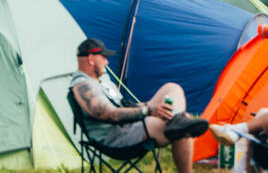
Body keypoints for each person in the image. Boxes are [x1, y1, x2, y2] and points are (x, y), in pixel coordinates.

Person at [70, 38, 209, 173]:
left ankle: (177, 121)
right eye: (104, 57)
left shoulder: (100, 81)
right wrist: (149, 110)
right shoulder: (83, 86)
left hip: (128, 125)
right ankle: (178, 124)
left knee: (172, 88)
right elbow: (110, 114)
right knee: (183, 127)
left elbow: (121, 106)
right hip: (117, 137)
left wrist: (145, 106)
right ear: (91, 58)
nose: (107, 62)